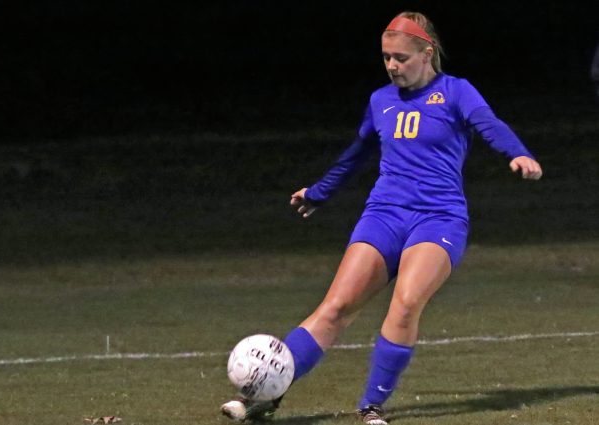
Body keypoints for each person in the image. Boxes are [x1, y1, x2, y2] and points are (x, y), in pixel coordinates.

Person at [221, 11, 543, 425]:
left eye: (401, 58)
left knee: (406, 302)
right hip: (384, 214)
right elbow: (357, 153)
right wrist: (320, 192)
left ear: (426, 53)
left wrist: (517, 152)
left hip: (438, 218)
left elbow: (489, 124)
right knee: (335, 307)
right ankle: (266, 396)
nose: (392, 66)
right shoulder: (381, 100)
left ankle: (371, 406)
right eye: (386, 57)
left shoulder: (456, 92)